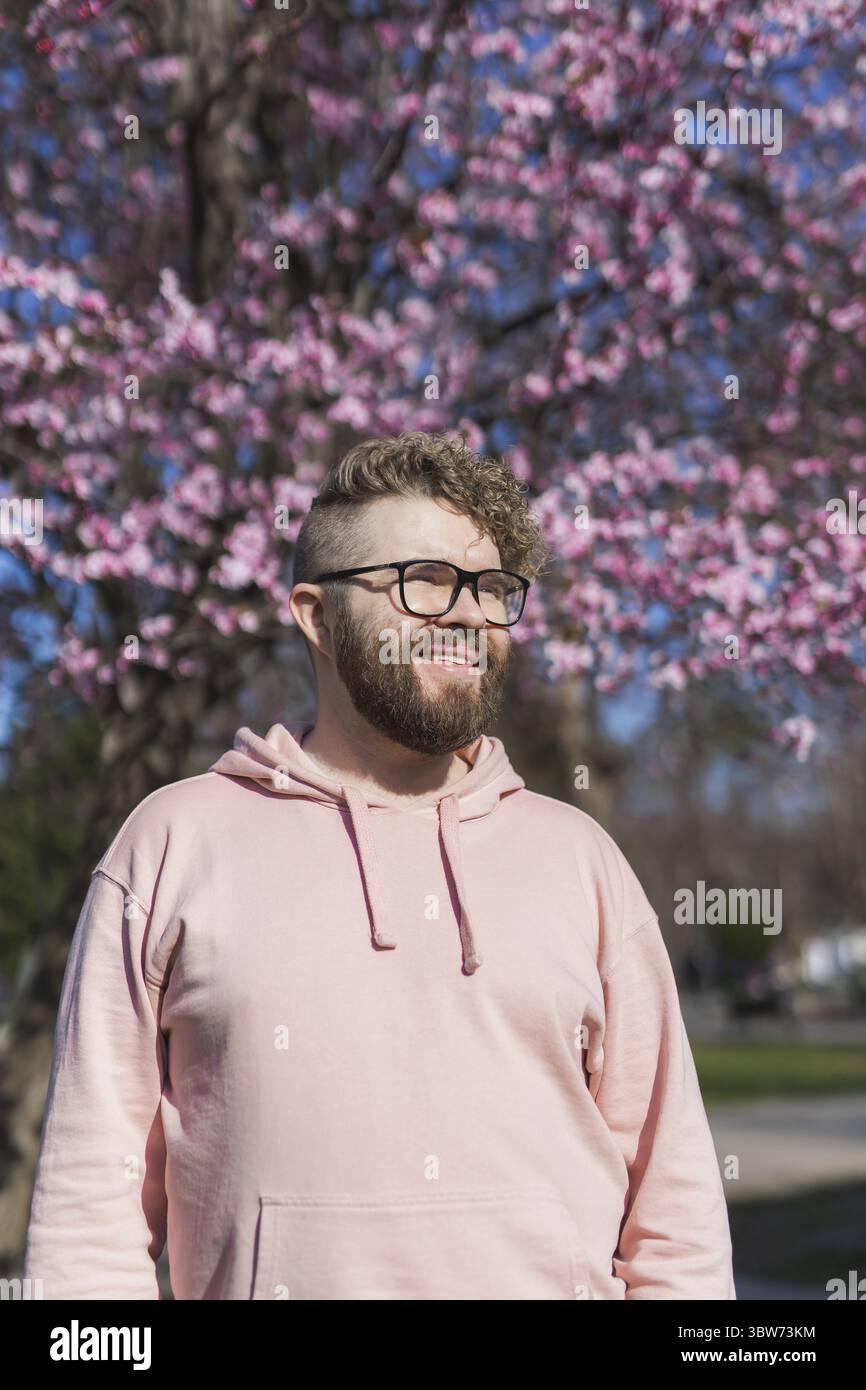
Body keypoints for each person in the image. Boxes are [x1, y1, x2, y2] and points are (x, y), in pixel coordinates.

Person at [23, 430, 735, 1300]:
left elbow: (677, 1209)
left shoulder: (581, 861)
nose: (469, 615)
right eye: (424, 581)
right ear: (316, 614)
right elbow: (86, 1220)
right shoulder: (172, 844)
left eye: (492, 589)